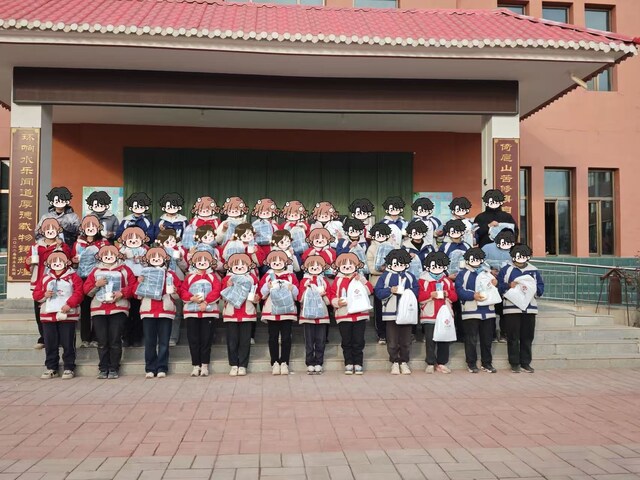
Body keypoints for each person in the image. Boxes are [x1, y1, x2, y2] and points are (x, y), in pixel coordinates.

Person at [83, 245, 137, 379]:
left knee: (115, 340)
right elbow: (86, 290)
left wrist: (122, 293)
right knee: (102, 341)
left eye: (111, 254)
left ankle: (114, 367)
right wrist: (96, 285)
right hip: (99, 309)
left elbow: (134, 286)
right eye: (105, 254)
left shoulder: (125, 269)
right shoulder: (95, 271)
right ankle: (103, 368)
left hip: (118, 308)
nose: (108, 256)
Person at [32, 251, 84, 379]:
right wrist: (44, 295)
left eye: (60, 261)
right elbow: (36, 294)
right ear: (48, 263)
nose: (57, 263)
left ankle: (69, 367)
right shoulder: (45, 278)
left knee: (68, 342)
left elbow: (79, 293)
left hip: (68, 314)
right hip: (48, 315)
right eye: (54, 261)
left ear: (67, 262)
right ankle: (51, 368)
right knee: (50, 343)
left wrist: (70, 304)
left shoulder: (73, 277)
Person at [26, 218, 72, 349]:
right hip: (39, 282)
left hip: (58, 282)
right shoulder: (35, 247)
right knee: (40, 311)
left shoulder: (62, 246)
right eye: (47, 229)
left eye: (53, 229)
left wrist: (60, 247)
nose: (50, 231)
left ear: (58, 230)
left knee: (58, 307)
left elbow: (67, 260)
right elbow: (28, 265)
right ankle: (43, 338)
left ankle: (59, 339)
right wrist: (28, 262)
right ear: (42, 231)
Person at [497, 244, 544, 374]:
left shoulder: (534, 270)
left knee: (527, 337)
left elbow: (540, 287)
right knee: (513, 337)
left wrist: (533, 290)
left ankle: (525, 363)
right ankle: (514, 363)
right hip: (511, 308)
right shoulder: (506, 270)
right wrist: (509, 285)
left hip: (530, 308)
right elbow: (499, 287)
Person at [137, 247, 182, 378]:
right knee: (149, 341)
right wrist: (140, 283)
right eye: (153, 257)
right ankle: (150, 368)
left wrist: (175, 291)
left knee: (164, 342)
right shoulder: (143, 273)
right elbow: (136, 292)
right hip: (148, 310)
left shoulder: (170, 274)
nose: (156, 259)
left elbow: (178, 292)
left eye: (159, 257)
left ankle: (162, 367)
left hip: (165, 310)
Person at [374, 249, 419, 375]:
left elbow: (416, 291)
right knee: (392, 340)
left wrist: (408, 292)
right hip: (391, 313)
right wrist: (390, 290)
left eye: (402, 263)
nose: (399, 265)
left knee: (406, 340)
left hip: (407, 313)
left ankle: (404, 361)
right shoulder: (385, 276)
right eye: (395, 263)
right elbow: (378, 292)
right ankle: (394, 361)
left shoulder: (410, 276)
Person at [328, 252, 374, 375]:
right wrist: (337, 302)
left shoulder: (360, 277)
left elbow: (370, 290)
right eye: (344, 265)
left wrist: (363, 281)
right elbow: (332, 294)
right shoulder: (338, 280)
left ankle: (358, 363)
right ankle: (348, 363)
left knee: (359, 341)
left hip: (360, 315)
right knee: (346, 341)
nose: (347, 267)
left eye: (350, 265)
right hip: (344, 315)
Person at [179, 250, 222, 377]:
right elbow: (183, 290)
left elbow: (217, 290)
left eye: (205, 261)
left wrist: (206, 302)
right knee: (193, 339)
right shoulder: (190, 277)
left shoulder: (212, 276)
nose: (202, 263)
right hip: (192, 313)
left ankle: (204, 365)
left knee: (206, 339)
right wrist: (191, 298)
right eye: (199, 261)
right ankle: (195, 365)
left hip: (208, 313)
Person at [455, 248, 497, 374]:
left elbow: (496, 289)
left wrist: (495, 283)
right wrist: (473, 295)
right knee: (471, 339)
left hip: (488, 311)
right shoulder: (462, 273)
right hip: (471, 311)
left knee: (487, 340)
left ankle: (487, 363)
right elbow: (459, 291)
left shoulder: (487, 273)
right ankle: (471, 363)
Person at [258, 250, 300, 376]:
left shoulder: (291, 276)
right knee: (273, 337)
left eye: (280, 260)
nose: (277, 263)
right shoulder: (267, 276)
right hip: (272, 310)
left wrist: (292, 288)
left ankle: (284, 362)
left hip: (287, 311)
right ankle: (275, 362)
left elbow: (297, 295)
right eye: (274, 261)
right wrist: (267, 287)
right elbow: (261, 294)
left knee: (286, 337)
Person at [72, 215, 109, 348]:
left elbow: (110, 258)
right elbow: (72, 262)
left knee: (98, 307)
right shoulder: (78, 243)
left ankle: (96, 337)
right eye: (87, 226)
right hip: (82, 278)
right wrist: (74, 262)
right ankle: (85, 338)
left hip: (99, 277)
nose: (91, 228)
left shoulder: (104, 243)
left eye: (94, 226)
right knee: (85, 308)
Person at [221, 253, 260, 376]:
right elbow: (222, 295)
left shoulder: (252, 278)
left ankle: (243, 365)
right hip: (231, 313)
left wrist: (256, 298)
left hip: (247, 313)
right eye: (236, 265)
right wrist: (228, 287)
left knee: (245, 341)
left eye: (243, 264)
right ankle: (233, 364)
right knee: (232, 341)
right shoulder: (227, 279)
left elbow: (257, 294)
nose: (239, 267)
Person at [418, 252, 457, 374]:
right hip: (429, 314)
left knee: (444, 339)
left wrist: (447, 294)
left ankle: (442, 363)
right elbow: (419, 296)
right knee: (430, 340)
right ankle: (430, 362)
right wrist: (431, 295)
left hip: (444, 314)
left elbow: (455, 297)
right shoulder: (423, 280)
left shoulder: (447, 280)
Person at [482, 229, 516, 342]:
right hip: (490, 284)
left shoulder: (514, 249)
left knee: (504, 310)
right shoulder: (487, 248)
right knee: (491, 309)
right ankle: (492, 334)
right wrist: (490, 271)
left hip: (506, 284)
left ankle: (503, 334)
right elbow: (480, 263)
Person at [298, 255, 330, 374]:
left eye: (318, 265)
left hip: (322, 314)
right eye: (312, 266)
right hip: (307, 315)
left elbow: (329, 299)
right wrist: (306, 289)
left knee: (321, 340)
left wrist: (324, 295)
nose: (315, 268)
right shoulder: (304, 281)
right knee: (309, 341)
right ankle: (310, 362)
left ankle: (319, 362)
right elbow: (300, 298)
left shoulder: (324, 281)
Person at [156, 229, 189, 346]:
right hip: (160, 283)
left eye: (172, 240)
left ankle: (173, 337)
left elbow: (185, 267)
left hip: (177, 281)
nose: (170, 242)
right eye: (167, 240)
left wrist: (180, 258)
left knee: (177, 311)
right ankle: (161, 337)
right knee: (161, 311)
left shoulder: (179, 250)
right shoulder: (156, 251)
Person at [118, 226, 149, 347]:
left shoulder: (145, 250)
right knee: (126, 309)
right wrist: (123, 256)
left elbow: (151, 263)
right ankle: (125, 337)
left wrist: (142, 259)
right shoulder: (121, 250)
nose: (134, 241)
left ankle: (137, 337)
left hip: (140, 279)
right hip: (125, 280)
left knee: (137, 310)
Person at [366, 223, 393, 345]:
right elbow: (370, 268)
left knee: (391, 308)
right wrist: (382, 269)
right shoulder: (371, 248)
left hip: (391, 282)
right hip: (377, 282)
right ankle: (381, 334)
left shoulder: (392, 246)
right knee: (379, 309)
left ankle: (391, 334)